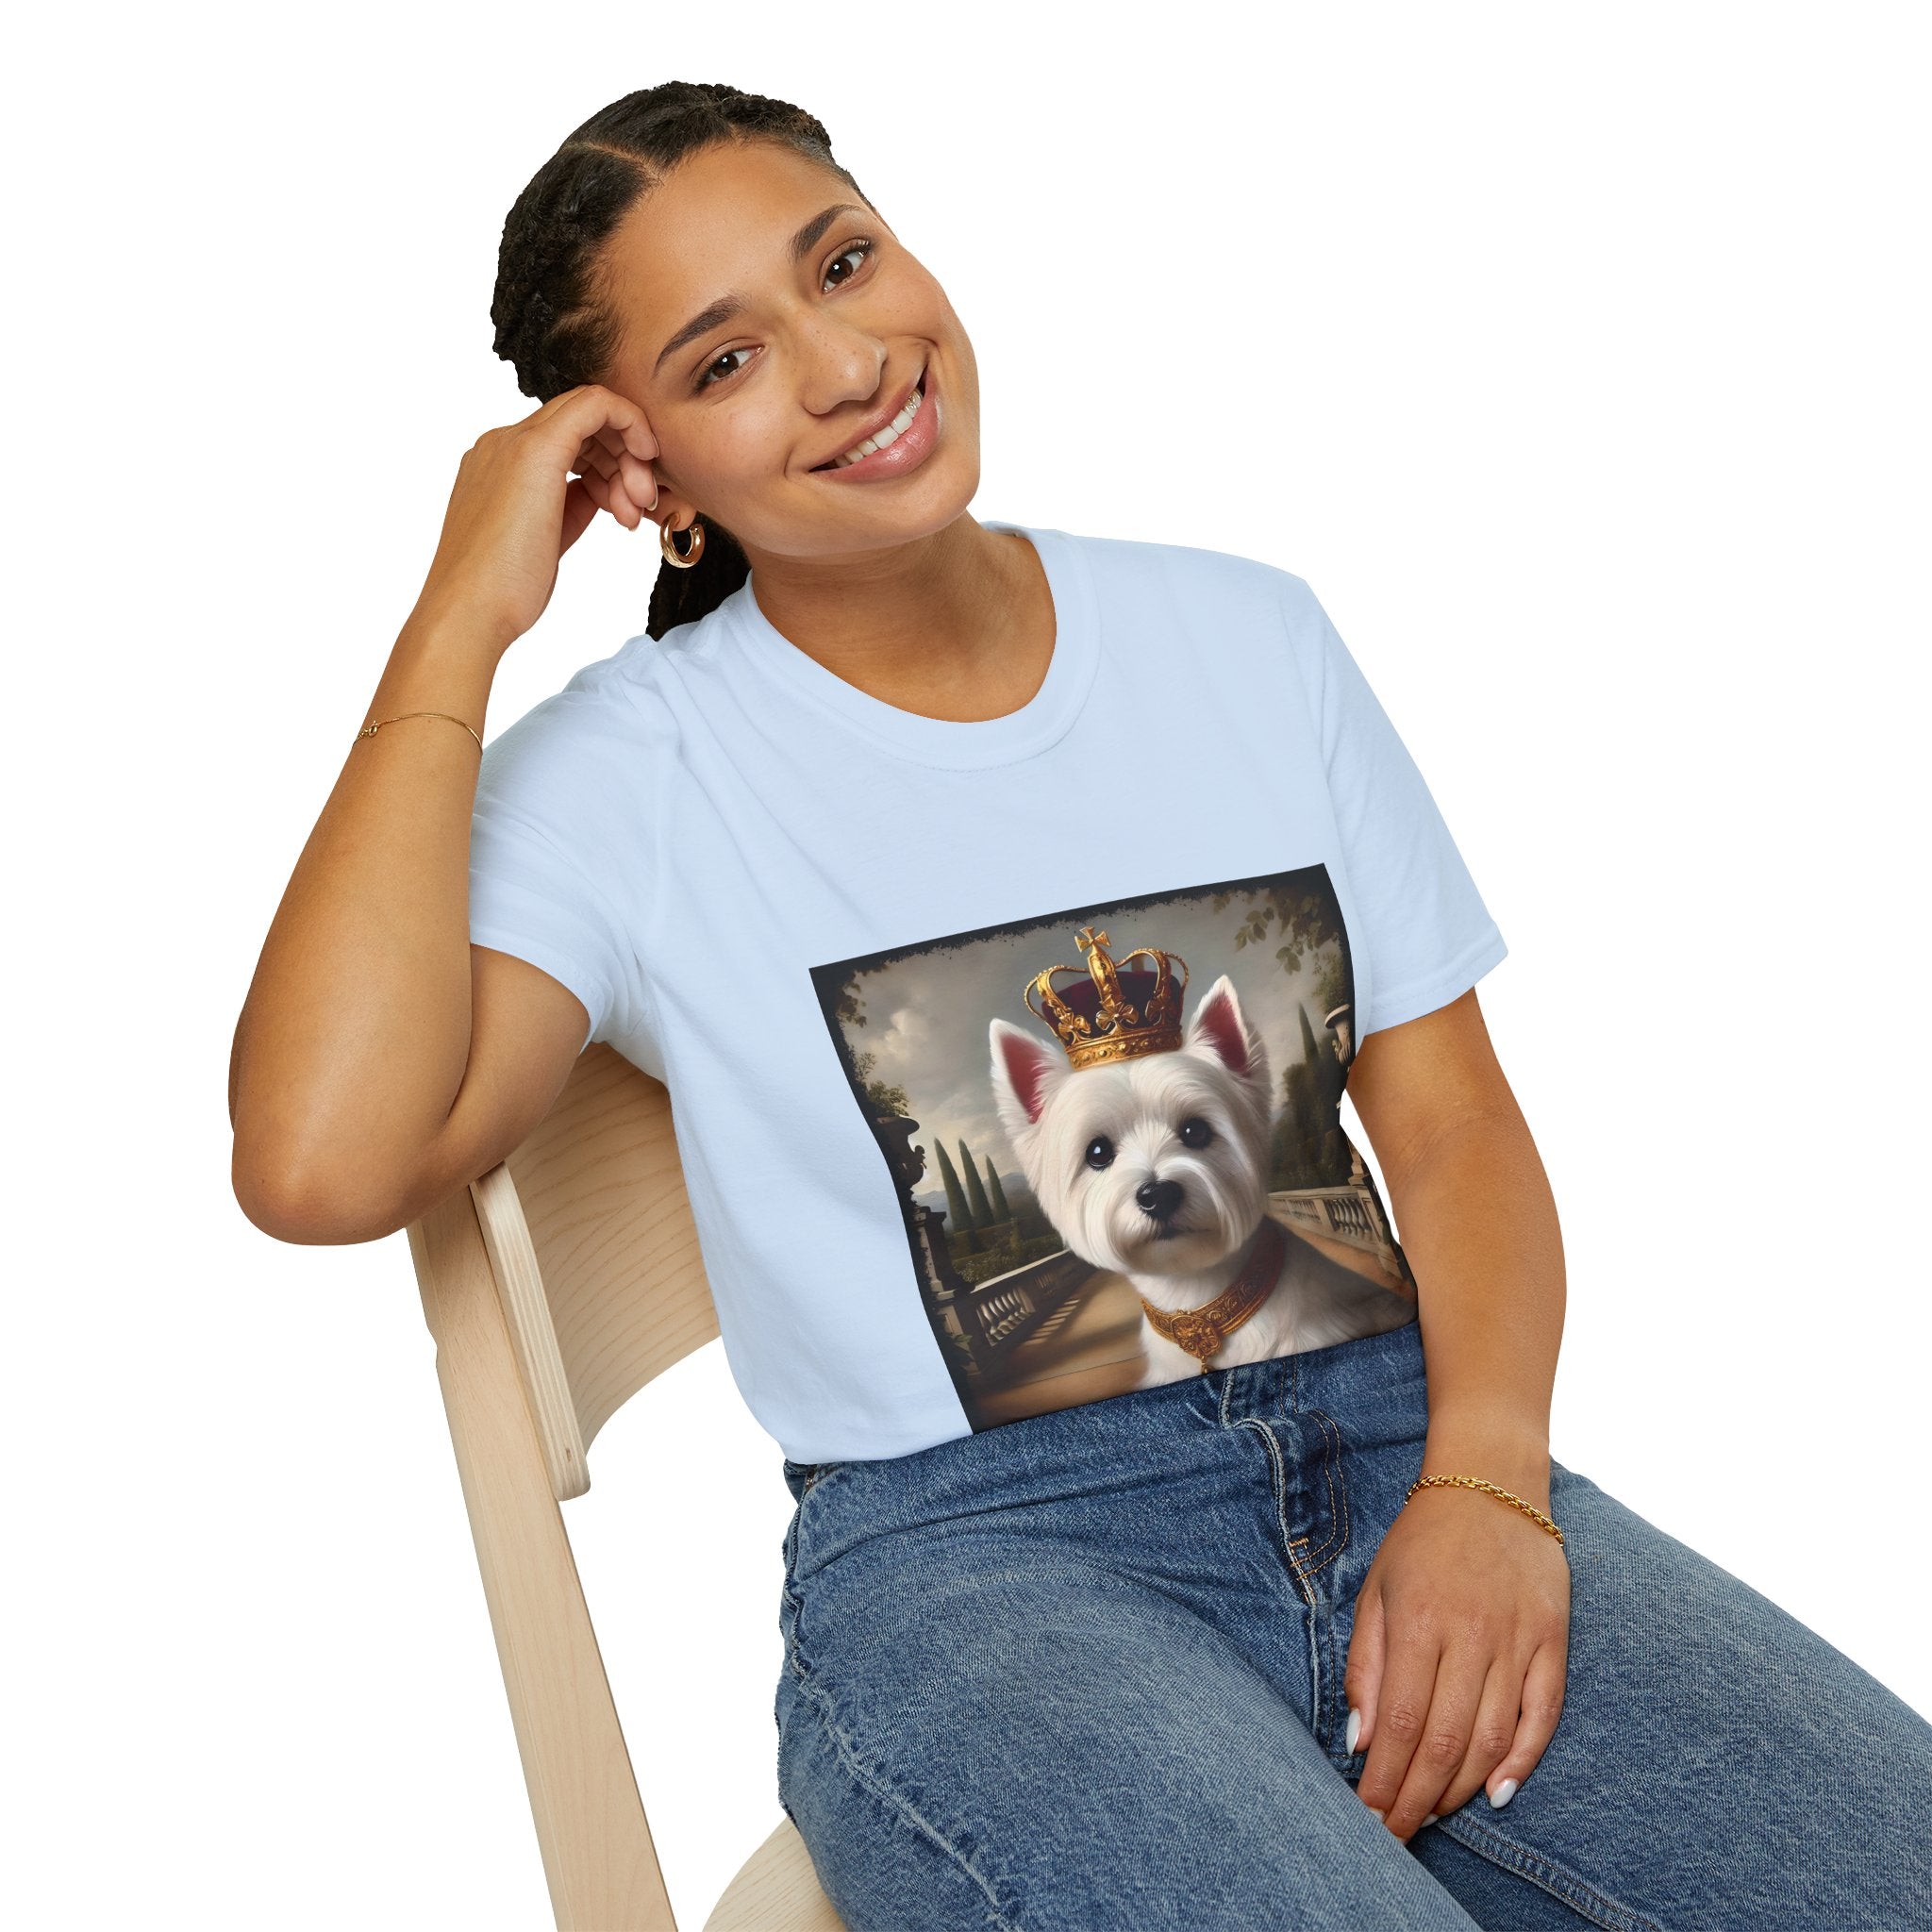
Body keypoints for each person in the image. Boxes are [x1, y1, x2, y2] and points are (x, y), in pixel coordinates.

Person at [228, 80, 1932, 1931]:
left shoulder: (1248, 638)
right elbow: (319, 1161)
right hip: (985, 1571)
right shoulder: (633, 775)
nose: (846, 365)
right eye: (726, 361)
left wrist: (1490, 1486)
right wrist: (458, 618)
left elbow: (1451, 1130)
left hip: (1407, 1447)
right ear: (649, 481)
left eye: (843, 264)